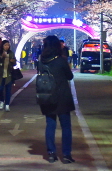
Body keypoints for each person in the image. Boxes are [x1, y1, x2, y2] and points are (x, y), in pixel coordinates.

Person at [38, 35, 75, 164]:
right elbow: (69, 76)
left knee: (50, 125)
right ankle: (66, 154)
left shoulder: (42, 61)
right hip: (62, 96)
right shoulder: (61, 60)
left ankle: (51, 153)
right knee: (66, 127)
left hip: (47, 96)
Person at [0, 39, 16, 111]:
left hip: (8, 74)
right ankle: (1, 101)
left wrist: (12, 61)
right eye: (5, 45)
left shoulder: (11, 53)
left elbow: (14, 62)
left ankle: (7, 104)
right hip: (0, 74)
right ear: (2, 46)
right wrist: (2, 58)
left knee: (8, 90)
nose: (7, 46)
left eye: (8, 45)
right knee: (0, 89)